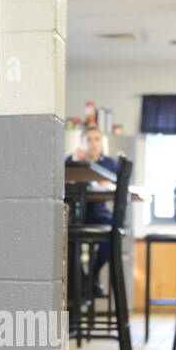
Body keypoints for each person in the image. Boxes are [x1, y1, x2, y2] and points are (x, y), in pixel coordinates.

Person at [66, 125, 118, 294]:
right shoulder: (72, 161)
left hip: (98, 213)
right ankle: (79, 285)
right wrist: (75, 162)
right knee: (68, 241)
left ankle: (91, 275)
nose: (93, 143)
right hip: (74, 213)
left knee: (114, 231)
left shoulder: (109, 163)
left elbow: (112, 186)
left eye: (97, 139)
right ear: (82, 143)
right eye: (89, 139)